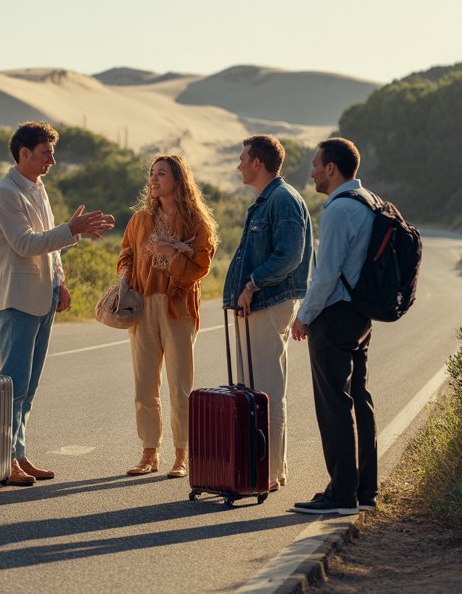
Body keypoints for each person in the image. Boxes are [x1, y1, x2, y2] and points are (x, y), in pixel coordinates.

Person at [0, 122, 115, 486]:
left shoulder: (37, 188)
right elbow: (25, 244)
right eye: (46, 153)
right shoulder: (4, 193)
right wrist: (71, 230)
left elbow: (48, 240)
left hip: (43, 297)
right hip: (16, 300)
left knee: (28, 387)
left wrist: (60, 281)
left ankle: (19, 455)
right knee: (12, 385)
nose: (52, 161)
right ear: (23, 153)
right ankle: (3, 459)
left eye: (52, 153)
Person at [290, 137, 377, 516]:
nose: (311, 171)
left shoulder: (340, 209)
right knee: (359, 398)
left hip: (335, 314)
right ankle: (364, 492)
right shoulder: (370, 202)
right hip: (359, 314)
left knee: (334, 405)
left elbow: (325, 276)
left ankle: (341, 495)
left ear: (331, 169)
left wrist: (304, 316)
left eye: (315, 164)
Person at [223, 135, 314, 491]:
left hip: (267, 303)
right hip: (257, 305)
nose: (239, 163)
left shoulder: (283, 199)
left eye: (243, 157)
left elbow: (289, 255)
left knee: (267, 391)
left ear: (258, 163)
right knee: (254, 390)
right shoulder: (268, 200)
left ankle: (270, 472)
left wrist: (251, 285)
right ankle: (261, 469)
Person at [118, 155, 217, 479]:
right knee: (144, 385)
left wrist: (171, 254)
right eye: (152, 174)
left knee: (180, 386)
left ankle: (181, 455)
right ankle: (149, 453)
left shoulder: (196, 222)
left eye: (161, 173)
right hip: (143, 306)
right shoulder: (140, 220)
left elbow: (201, 266)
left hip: (178, 308)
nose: (154, 179)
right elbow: (126, 254)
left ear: (178, 179)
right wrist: (124, 275)